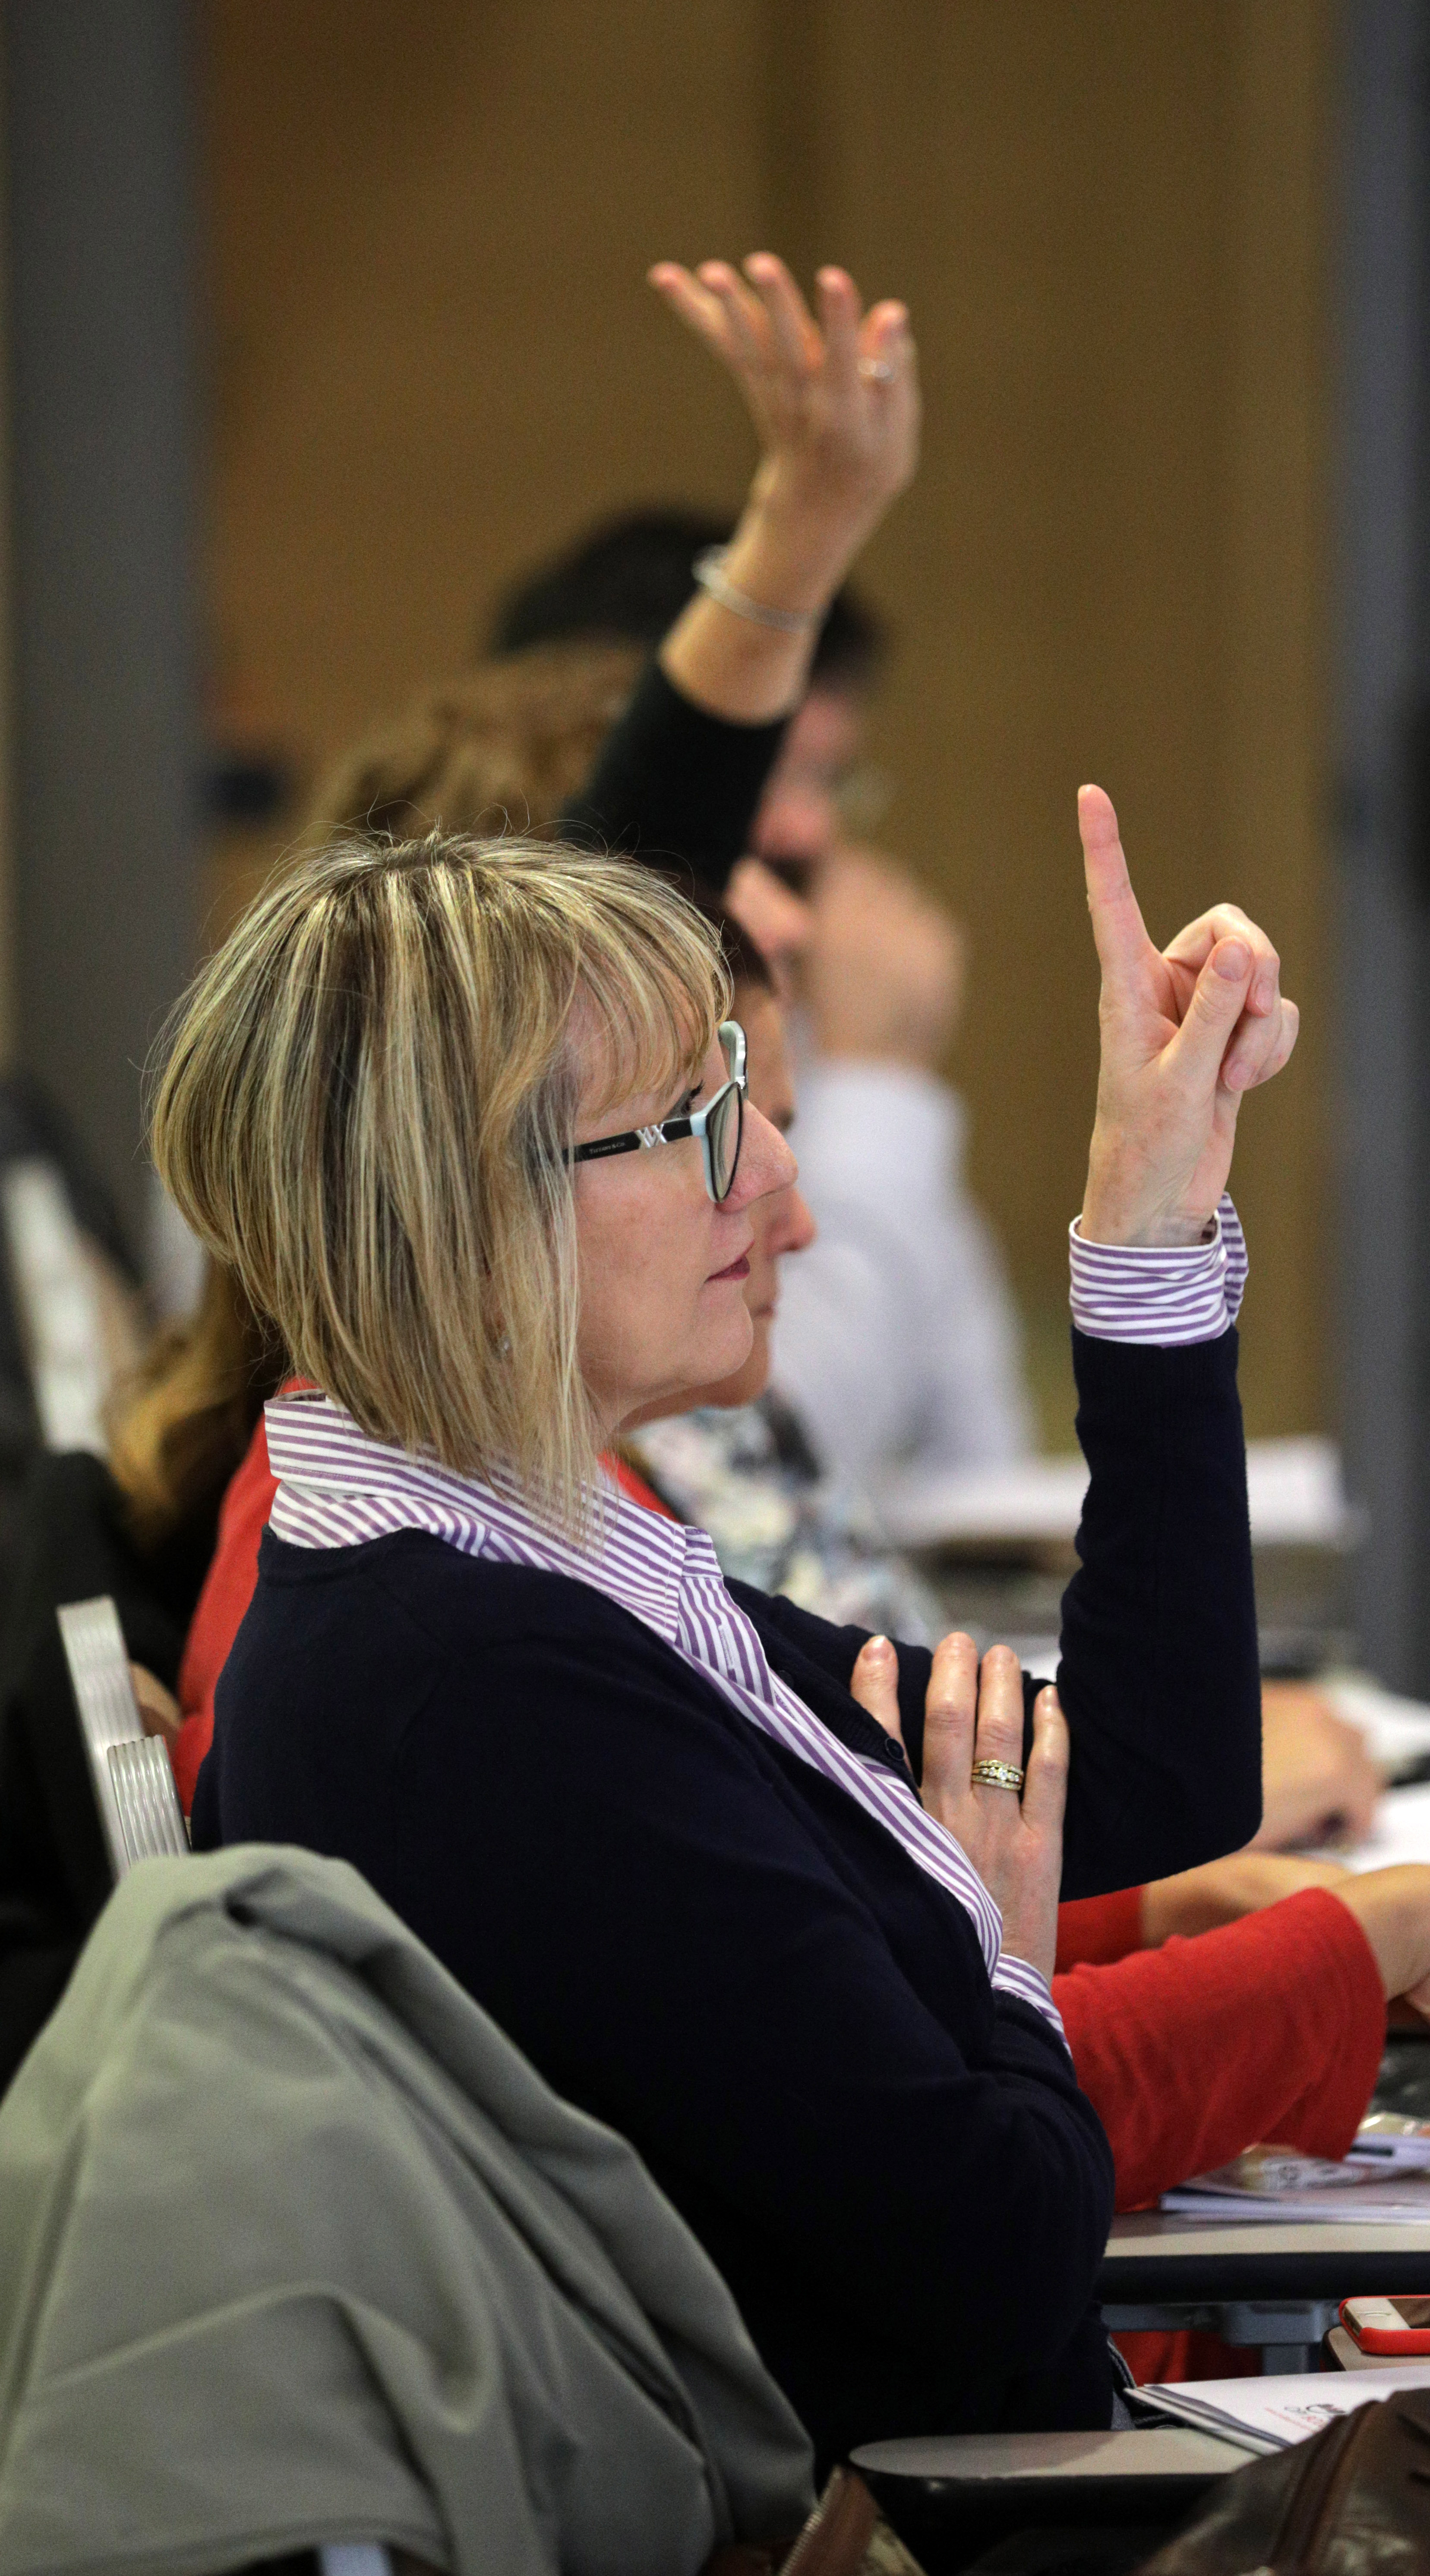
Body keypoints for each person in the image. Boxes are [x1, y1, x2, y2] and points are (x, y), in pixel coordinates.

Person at [152, 786, 1296, 2460]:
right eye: (699, 1122)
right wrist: (998, 1950)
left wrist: (1145, 1206)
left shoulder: (538, 1551)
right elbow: (992, 2254)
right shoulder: (470, 1682)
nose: (782, 1191)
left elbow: (1142, 1774)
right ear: (463, 1215)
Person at [501, 256, 1035, 1481]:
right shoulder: (470, 1049)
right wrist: (891, 1093)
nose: (803, 840)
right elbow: (753, 1468)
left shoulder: (784, 987)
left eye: (824, 784)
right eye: (767, 775)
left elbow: (977, 1465)